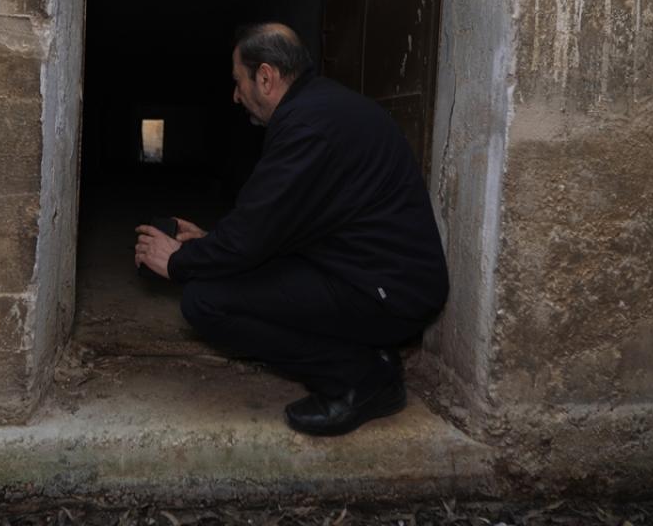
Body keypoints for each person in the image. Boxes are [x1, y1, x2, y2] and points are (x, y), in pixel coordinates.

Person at [133, 23, 449, 436]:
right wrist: (212, 245)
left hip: (392, 294)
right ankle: (369, 357)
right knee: (234, 275)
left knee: (205, 302)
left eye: (237, 81)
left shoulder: (308, 127)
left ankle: (360, 380)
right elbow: (274, 224)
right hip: (372, 274)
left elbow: (252, 236)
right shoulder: (318, 108)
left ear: (265, 77)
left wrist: (178, 262)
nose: (235, 94)